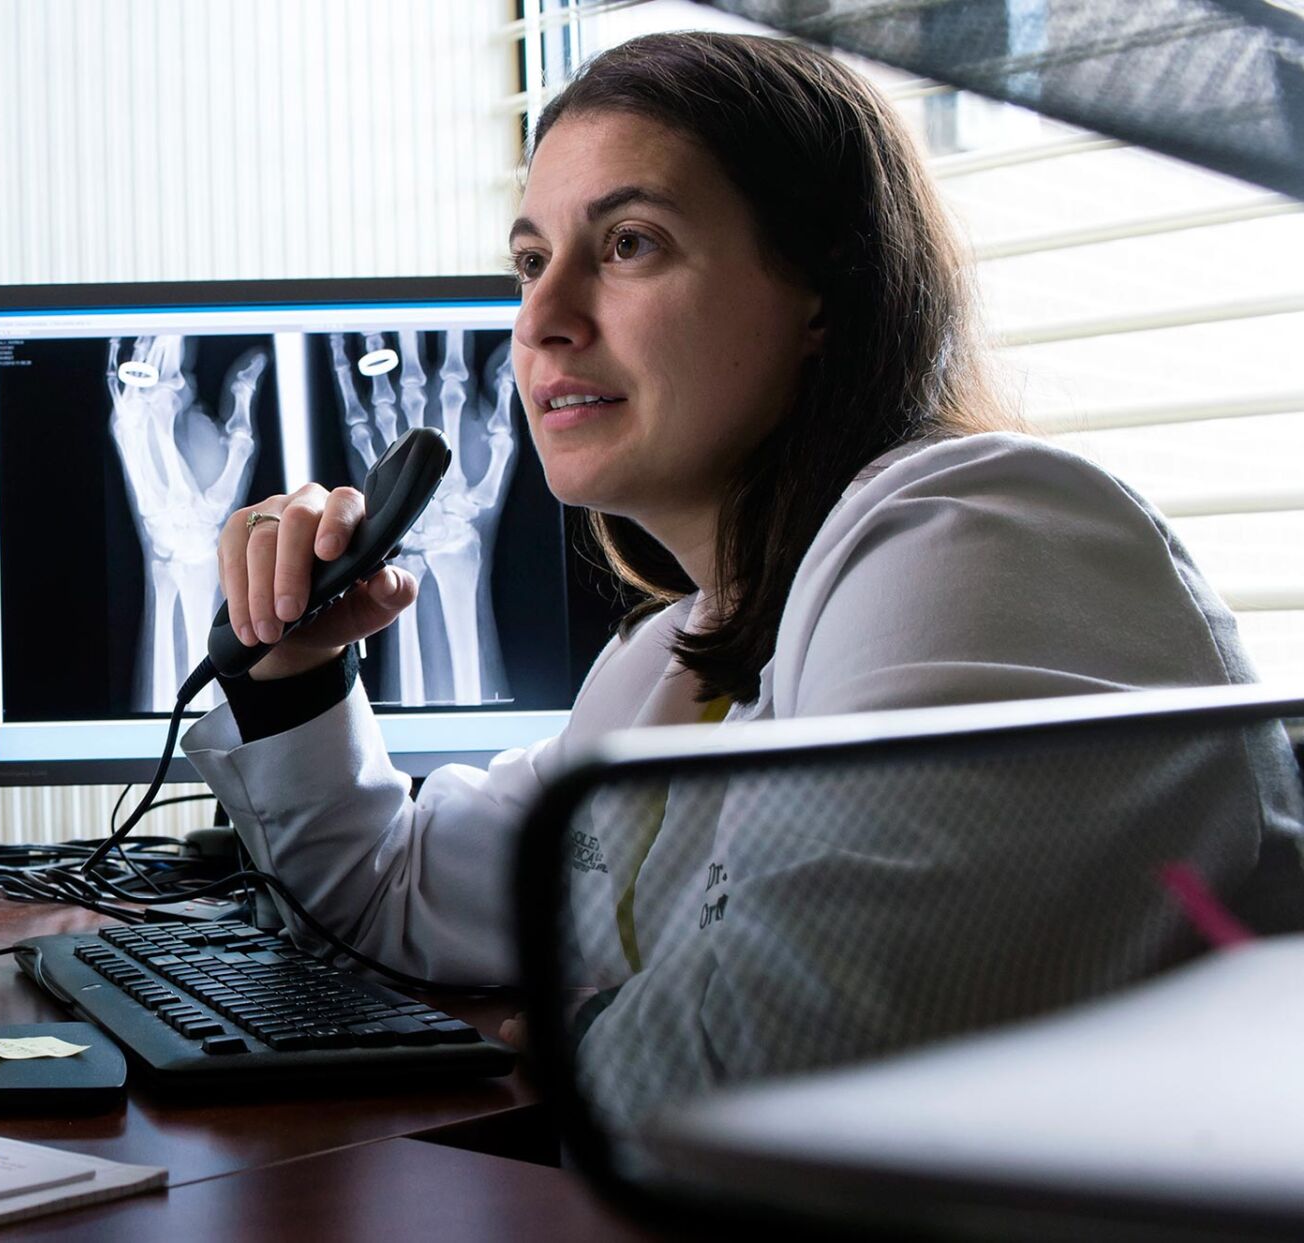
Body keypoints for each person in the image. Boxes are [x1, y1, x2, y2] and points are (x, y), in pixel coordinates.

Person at [179, 32, 1304, 1130]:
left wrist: (567, 1026)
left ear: (822, 292)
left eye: (629, 243)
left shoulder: (987, 526)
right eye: (531, 261)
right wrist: (295, 676)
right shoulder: (670, 659)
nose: (541, 319)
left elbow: (797, 1058)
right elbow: (393, 897)